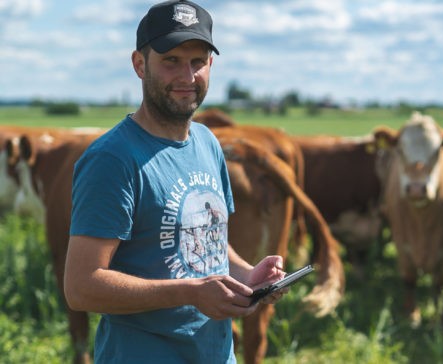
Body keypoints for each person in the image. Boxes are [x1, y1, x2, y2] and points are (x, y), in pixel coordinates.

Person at [63, 1, 286, 362]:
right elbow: (81, 287)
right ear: (139, 64)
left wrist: (248, 276)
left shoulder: (207, 142)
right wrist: (191, 292)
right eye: (171, 61)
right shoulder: (112, 159)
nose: (187, 76)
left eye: (197, 61)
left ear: (210, 65)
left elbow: (206, 240)